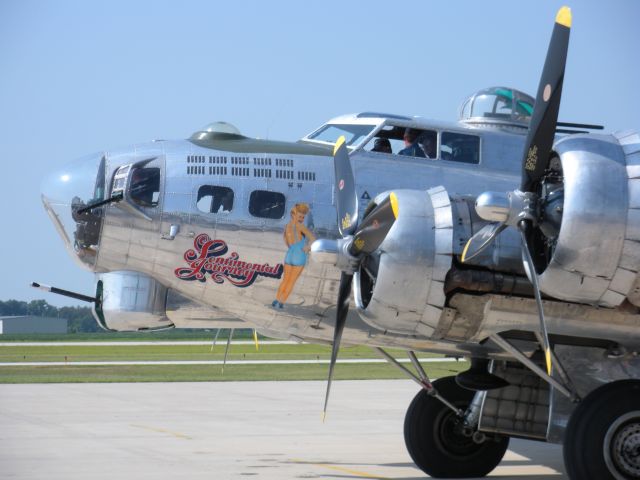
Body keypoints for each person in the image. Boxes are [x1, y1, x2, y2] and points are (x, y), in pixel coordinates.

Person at [273, 203, 316, 308]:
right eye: (300, 216)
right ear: (294, 214)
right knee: (291, 281)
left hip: (290, 254)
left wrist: (291, 247)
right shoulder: (300, 226)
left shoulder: (287, 226)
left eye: (303, 217)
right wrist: (307, 248)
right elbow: (313, 239)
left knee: (285, 280)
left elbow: (285, 239)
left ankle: (276, 300)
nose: (301, 219)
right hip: (299, 255)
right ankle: (282, 302)